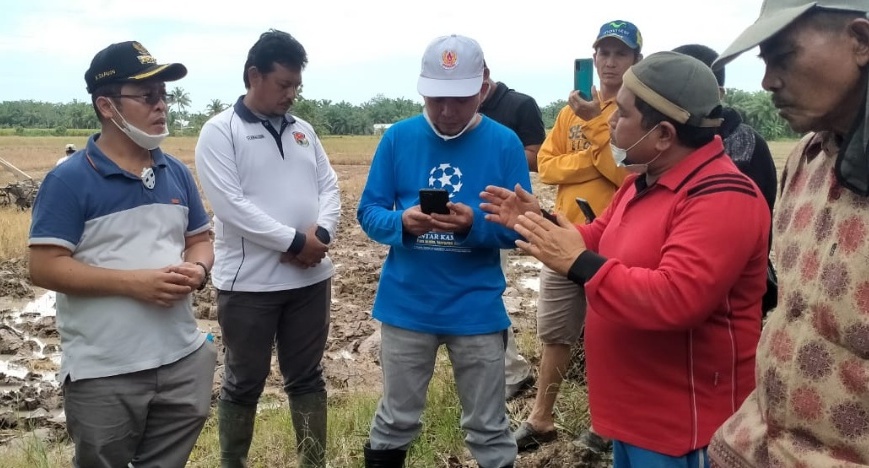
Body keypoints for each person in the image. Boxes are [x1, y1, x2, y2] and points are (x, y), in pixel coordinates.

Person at [482, 51, 770, 467]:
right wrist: (536, 221)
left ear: (665, 134)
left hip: (684, 430)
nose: (610, 121)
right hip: (635, 417)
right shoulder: (643, 181)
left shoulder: (722, 196)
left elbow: (676, 298)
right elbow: (598, 239)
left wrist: (577, 263)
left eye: (622, 114)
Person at [28, 41, 216, 468]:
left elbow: (200, 240)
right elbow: (43, 266)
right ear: (107, 106)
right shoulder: (70, 181)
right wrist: (137, 284)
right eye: (147, 96)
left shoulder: (175, 172)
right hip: (105, 371)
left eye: (163, 95)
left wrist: (198, 269)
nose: (161, 106)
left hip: (182, 360)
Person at [357, 34, 531, 468]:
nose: (447, 111)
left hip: (476, 310)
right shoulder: (398, 138)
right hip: (407, 306)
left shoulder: (505, 143)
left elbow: (518, 231)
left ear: (483, 91)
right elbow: (369, 213)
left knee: (489, 427)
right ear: (422, 90)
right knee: (395, 420)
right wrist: (403, 223)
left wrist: (474, 226)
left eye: (460, 99)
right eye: (436, 99)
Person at [706, 1, 869, 466]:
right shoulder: (805, 158)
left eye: (785, 57)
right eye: (764, 62)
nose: (767, 82)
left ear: (861, 41)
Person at [195, 29, 340, 468]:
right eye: (284, 85)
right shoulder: (220, 132)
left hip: (311, 281)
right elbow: (231, 207)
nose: (292, 94)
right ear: (253, 76)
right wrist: (297, 241)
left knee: (308, 377)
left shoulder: (304, 131)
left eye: (297, 85)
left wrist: (322, 239)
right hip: (250, 286)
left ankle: (313, 462)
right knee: (243, 381)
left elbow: (329, 187)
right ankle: (232, 462)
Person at [512, 20, 641, 453]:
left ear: (636, 60)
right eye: (602, 53)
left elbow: (624, 174)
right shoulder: (571, 110)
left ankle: (607, 424)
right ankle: (541, 418)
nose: (608, 62)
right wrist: (591, 157)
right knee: (555, 332)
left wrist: (597, 129)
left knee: (612, 334)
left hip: (618, 240)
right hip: (565, 236)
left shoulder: (637, 111)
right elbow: (546, 166)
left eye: (619, 54)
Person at [672, 43, 779, 316]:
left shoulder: (749, 146)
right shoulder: (663, 142)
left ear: (719, 94)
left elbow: (754, 229)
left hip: (728, 295)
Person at [479, 62, 546, 399]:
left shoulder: (520, 104)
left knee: (491, 292)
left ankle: (509, 371)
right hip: (458, 214)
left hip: (499, 214)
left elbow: (539, 157)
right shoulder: (456, 106)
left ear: (486, 76)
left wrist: (493, 147)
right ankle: (497, 368)